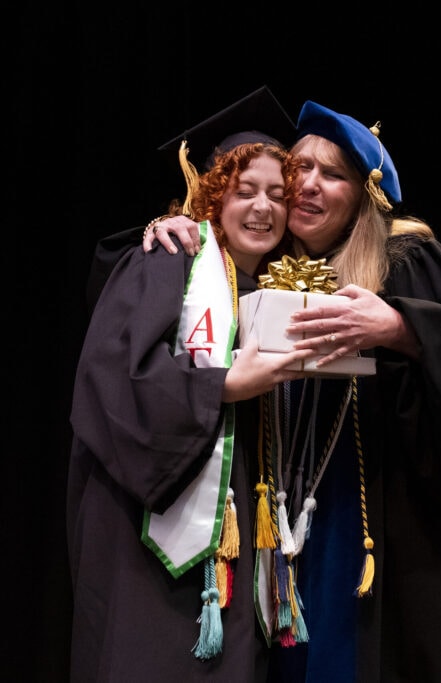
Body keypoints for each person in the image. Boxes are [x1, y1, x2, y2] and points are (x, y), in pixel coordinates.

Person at [145, 99, 441, 682]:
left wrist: (402, 329)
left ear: (364, 194)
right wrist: (173, 226)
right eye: (297, 170)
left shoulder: (406, 259)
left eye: (330, 174)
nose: (305, 185)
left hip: (408, 548)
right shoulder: (271, 273)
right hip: (300, 542)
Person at [67, 99, 312, 681]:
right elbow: (112, 381)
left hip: (239, 539)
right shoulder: (169, 257)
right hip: (147, 528)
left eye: (278, 195)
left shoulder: (279, 294)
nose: (262, 207)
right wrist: (222, 386)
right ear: (212, 196)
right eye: (244, 189)